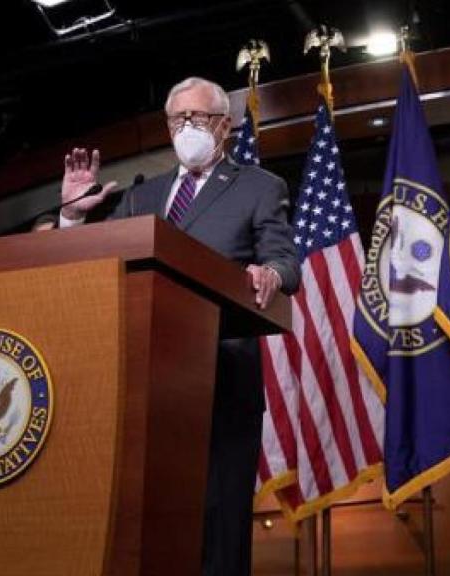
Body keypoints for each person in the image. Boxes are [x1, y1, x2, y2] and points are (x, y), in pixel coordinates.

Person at [57, 76, 301, 576]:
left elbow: (284, 261)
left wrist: (269, 273)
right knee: (151, 522)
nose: (187, 127)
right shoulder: (144, 196)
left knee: (217, 523)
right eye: (177, 119)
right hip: (150, 387)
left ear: (225, 126)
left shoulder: (260, 186)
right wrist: (74, 220)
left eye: (199, 118)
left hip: (222, 379)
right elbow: (96, 264)